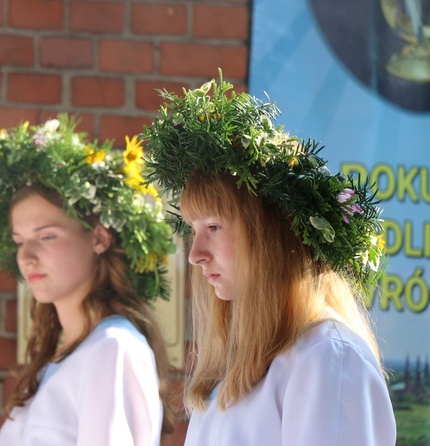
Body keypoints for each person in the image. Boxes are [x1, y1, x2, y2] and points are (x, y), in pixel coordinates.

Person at [142, 73, 397, 445]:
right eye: (193, 231)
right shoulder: (241, 364)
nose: (195, 255)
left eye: (213, 227)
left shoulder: (326, 357)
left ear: (269, 236)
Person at [0, 115, 177, 445]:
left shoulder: (112, 348)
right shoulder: (63, 360)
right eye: (19, 241)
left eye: (46, 236)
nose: (26, 257)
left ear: (99, 239)